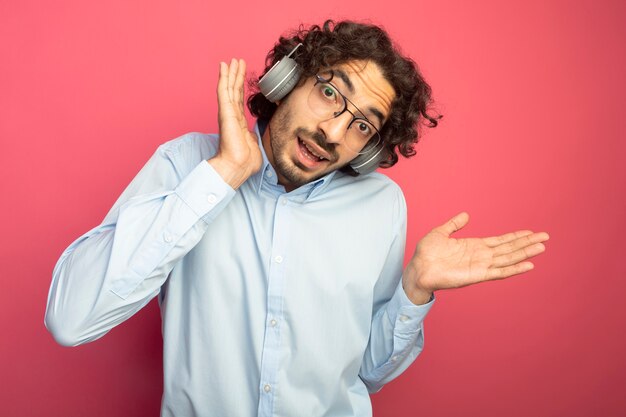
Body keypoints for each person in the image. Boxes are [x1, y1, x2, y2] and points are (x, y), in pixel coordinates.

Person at [45, 20, 549, 417]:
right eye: (330, 93)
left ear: (369, 149)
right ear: (286, 80)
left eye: (361, 125)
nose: (332, 131)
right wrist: (221, 176)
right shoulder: (186, 165)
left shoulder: (382, 206)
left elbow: (364, 372)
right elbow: (71, 320)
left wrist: (413, 290)